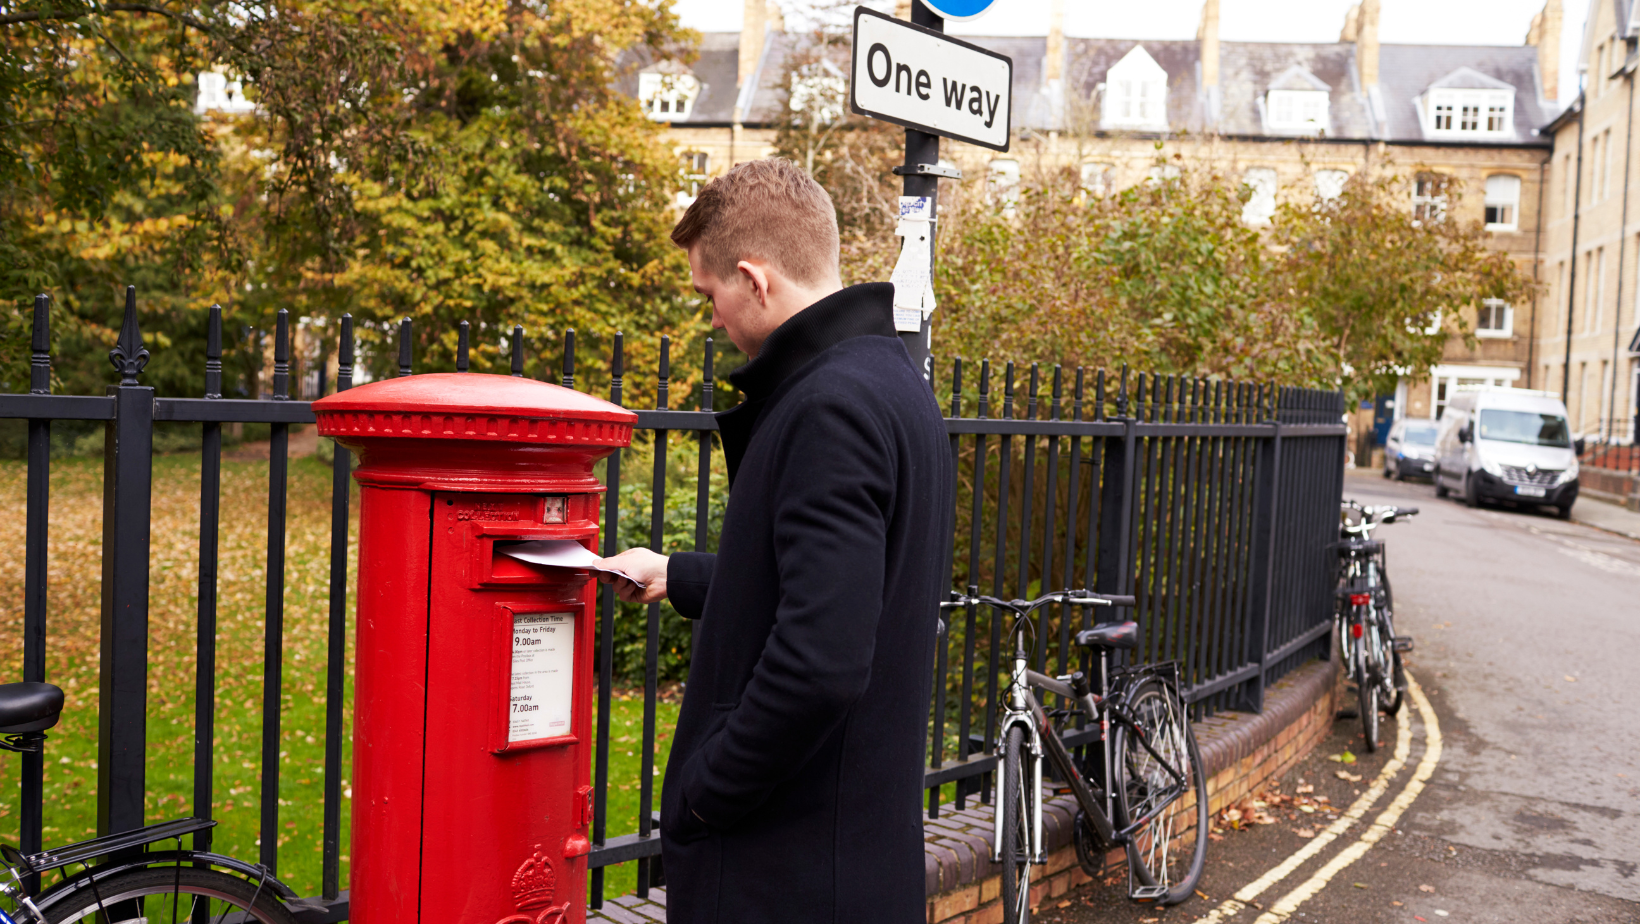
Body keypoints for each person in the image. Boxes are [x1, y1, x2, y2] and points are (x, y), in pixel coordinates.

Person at [596, 157, 953, 924]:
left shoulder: (828, 408)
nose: (713, 318)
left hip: (786, 874)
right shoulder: (893, 385)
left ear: (755, 280)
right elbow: (846, 585)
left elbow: (820, 662)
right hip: (854, 857)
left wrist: (703, 794)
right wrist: (678, 575)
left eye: (711, 294)